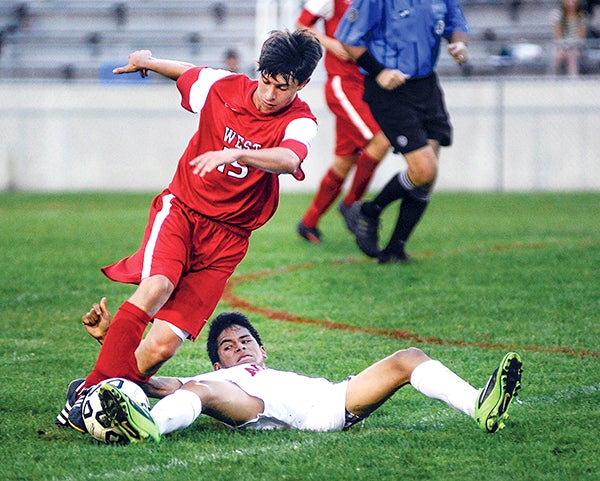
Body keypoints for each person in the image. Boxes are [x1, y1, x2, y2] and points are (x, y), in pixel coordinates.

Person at [55, 29, 324, 433]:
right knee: (158, 285)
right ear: (259, 71)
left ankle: (108, 378)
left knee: (162, 345)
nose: (270, 94)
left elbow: (289, 158)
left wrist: (237, 152)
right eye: (266, 81)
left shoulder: (301, 121)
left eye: (282, 87)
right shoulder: (224, 88)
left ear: (301, 85)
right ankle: (89, 395)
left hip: (228, 240)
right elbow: (188, 73)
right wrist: (147, 61)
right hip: (182, 210)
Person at [78, 299, 523, 443]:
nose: (239, 349)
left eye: (246, 342)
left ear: (263, 349)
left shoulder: (275, 372)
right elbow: (151, 379)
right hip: (261, 410)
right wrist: (108, 341)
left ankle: (479, 405)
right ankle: (147, 428)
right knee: (201, 390)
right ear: (218, 361)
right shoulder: (216, 378)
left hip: (329, 401)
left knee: (408, 357)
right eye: (228, 348)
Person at [334, 0, 470, 264]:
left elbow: (455, 23)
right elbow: (348, 38)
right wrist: (380, 71)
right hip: (389, 89)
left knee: (426, 176)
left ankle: (395, 249)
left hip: (426, 86)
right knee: (425, 169)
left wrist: (458, 43)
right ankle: (369, 211)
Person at [295, 0, 391, 244]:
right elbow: (300, 26)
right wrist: (331, 44)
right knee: (382, 138)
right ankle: (351, 204)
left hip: (367, 85)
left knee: (344, 161)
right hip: (343, 83)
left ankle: (308, 222)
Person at [551, 0, 587, 77]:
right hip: (560, 46)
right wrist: (564, 48)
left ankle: (573, 81)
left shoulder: (582, 16)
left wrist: (573, 47)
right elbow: (558, 36)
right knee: (558, 56)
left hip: (576, 46)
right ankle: (554, 79)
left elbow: (581, 37)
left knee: (572, 56)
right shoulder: (557, 15)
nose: (571, 2)